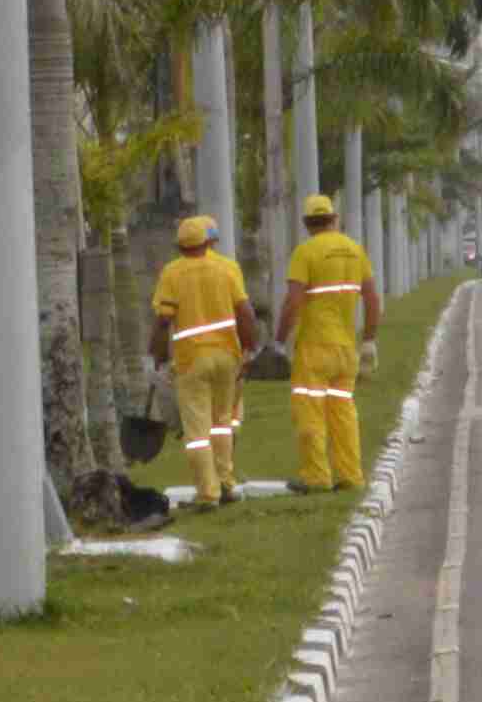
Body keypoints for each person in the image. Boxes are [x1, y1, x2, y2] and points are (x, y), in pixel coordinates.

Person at [146, 207, 257, 508]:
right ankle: (226, 483)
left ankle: (208, 494)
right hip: (227, 356)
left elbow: (163, 321)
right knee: (222, 423)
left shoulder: (172, 273)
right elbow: (246, 314)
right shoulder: (227, 268)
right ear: (208, 242)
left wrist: (156, 354)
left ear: (180, 247)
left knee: (197, 433)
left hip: (191, 360)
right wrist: (250, 350)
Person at [281, 189, 381, 489]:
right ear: (334, 220)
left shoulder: (305, 252)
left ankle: (316, 478)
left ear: (306, 223)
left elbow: (293, 302)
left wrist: (278, 339)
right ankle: (351, 476)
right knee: (343, 414)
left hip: (314, 348)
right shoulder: (355, 250)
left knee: (310, 414)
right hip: (346, 349)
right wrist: (370, 339)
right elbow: (373, 299)